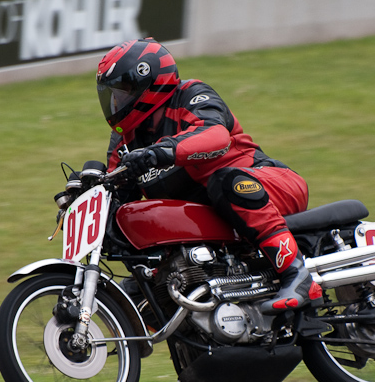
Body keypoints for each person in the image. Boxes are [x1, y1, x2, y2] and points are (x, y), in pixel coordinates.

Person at [95, 38, 322, 314]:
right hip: (214, 213)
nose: (117, 101)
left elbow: (215, 135)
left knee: (226, 182)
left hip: (269, 184)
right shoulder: (125, 139)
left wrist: (161, 152)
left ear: (149, 83)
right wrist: (87, 190)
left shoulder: (190, 94)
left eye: (124, 91)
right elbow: (117, 190)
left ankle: (297, 274)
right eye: (113, 94)